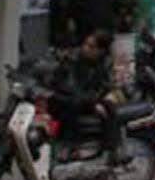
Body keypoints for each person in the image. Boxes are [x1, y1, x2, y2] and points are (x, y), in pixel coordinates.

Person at [51, 29, 120, 158]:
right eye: (86, 44)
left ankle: (112, 149)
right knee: (72, 104)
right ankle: (68, 145)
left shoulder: (105, 63)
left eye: (91, 46)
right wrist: (93, 103)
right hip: (70, 99)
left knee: (110, 107)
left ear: (100, 51)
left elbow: (107, 84)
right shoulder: (72, 59)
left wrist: (107, 95)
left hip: (87, 98)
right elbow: (71, 88)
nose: (86, 48)